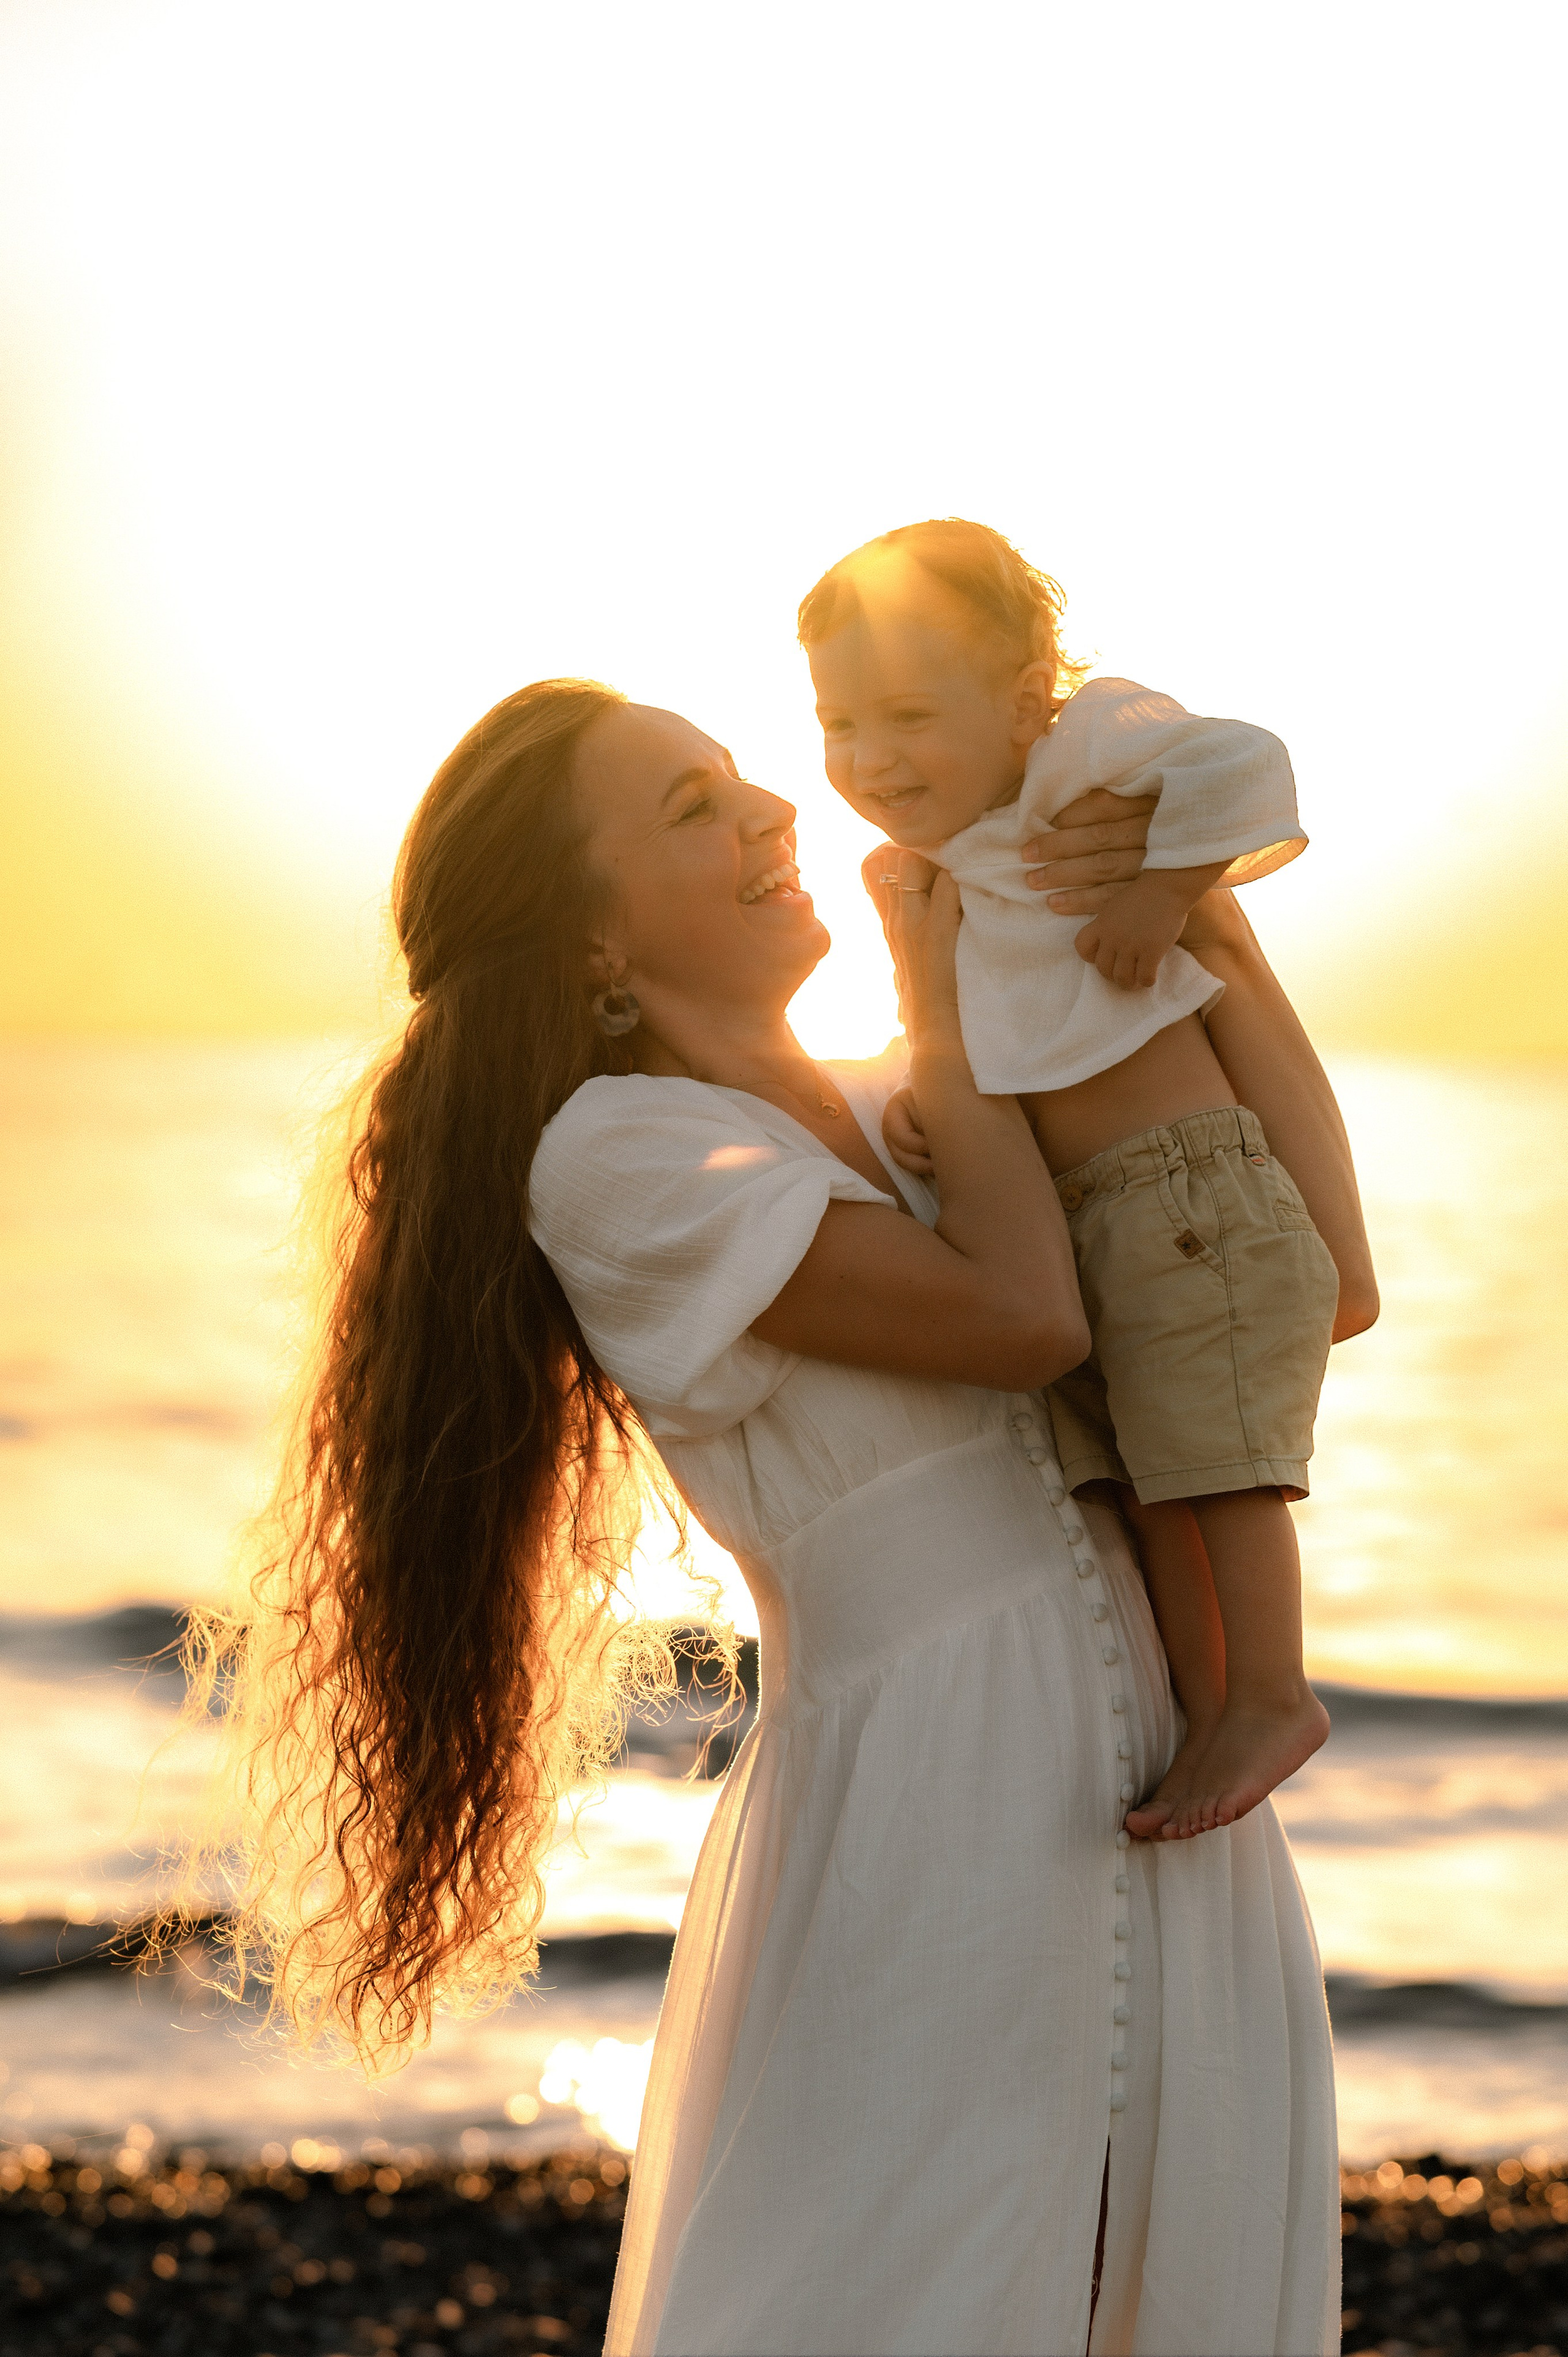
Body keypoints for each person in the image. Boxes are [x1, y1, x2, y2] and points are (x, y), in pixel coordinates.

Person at [222, 676, 1344, 2355]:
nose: (773, 814)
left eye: (750, 779)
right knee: (895, 2289)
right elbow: (1025, 1322)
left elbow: (1312, 1272)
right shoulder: (622, 1157)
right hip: (939, 1804)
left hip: (1170, 1779)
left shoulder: (915, 1111)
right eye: (692, 808)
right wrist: (957, 1010)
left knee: (1173, 2287)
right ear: (590, 944)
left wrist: (1189, 912)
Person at [799, 518, 1378, 1839]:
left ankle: (1273, 1694)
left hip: (1187, 1199)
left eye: (905, 715)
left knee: (1220, 1471)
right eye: (838, 725)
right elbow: (988, 1018)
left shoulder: (1083, 763)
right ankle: (1203, 1697)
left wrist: (1165, 887)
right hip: (1092, 1223)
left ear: (1018, 704)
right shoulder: (940, 866)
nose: (870, 759)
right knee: (1148, 1483)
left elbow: (1248, 762)